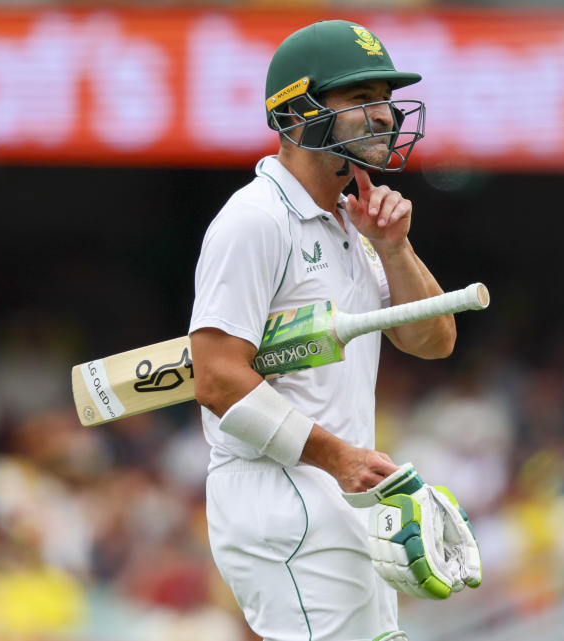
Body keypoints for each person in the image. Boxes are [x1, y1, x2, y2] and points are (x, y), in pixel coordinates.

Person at [188, 19, 457, 641]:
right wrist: (337, 457)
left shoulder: (351, 223)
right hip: (282, 497)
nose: (386, 116)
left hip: (339, 495)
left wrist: (393, 247)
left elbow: (434, 339)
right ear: (298, 113)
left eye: (385, 100)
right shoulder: (254, 220)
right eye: (361, 99)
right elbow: (218, 378)